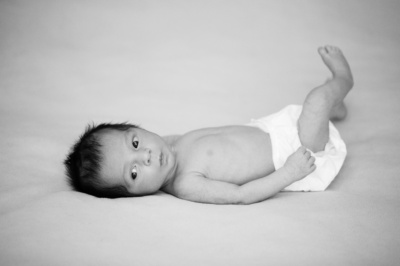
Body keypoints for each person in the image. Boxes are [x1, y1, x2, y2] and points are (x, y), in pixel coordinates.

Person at [64, 45, 353, 204]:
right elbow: (241, 195)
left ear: (136, 128)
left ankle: (334, 107)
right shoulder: (187, 183)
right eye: (135, 172)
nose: (146, 156)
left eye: (135, 143)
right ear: (134, 195)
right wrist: (291, 172)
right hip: (296, 152)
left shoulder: (170, 144)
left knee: (318, 107)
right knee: (316, 101)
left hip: (271, 128)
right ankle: (342, 81)